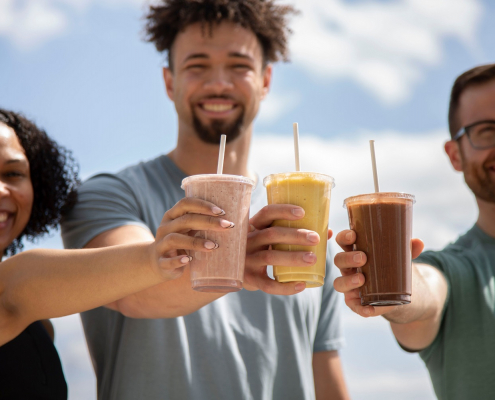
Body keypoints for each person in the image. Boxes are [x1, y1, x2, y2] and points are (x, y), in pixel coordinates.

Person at [60, 1, 349, 399]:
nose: (219, 83)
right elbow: (132, 291)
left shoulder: (302, 227)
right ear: (169, 81)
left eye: (238, 65)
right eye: (197, 65)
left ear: (265, 81)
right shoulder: (108, 195)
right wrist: (230, 259)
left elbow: (325, 376)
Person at [0, 109, 212, 399]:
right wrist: (155, 258)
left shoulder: (38, 327)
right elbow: (12, 289)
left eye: (13, 174)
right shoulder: (15, 297)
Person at [332, 63, 495, 399]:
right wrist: (390, 282)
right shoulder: (455, 270)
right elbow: (425, 293)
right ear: (455, 155)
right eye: (487, 131)